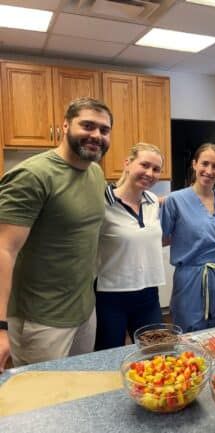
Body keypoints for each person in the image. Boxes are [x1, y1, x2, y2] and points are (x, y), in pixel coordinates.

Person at [0, 97, 113, 370]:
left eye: (104, 130)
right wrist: (1, 327)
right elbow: (4, 249)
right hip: (41, 319)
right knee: (42, 404)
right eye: (87, 125)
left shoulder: (96, 173)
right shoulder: (33, 175)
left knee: (79, 390)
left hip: (84, 311)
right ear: (64, 126)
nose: (96, 135)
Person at [95, 143, 165, 350]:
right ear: (127, 163)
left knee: (154, 353)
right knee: (110, 355)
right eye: (144, 165)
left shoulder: (152, 200)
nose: (150, 173)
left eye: (156, 169)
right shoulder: (103, 203)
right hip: (112, 295)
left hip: (148, 293)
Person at [160, 143, 215, 332]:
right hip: (191, 278)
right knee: (189, 331)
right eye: (204, 164)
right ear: (194, 164)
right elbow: (161, 238)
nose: (209, 171)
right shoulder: (175, 200)